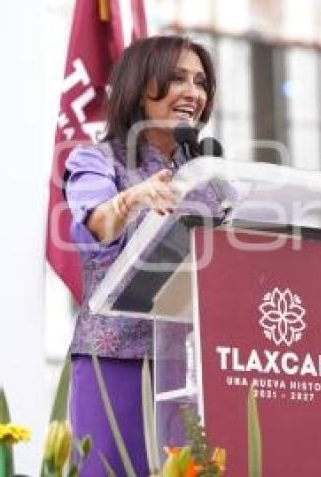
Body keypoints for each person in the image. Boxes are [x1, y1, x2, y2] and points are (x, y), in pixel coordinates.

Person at [63, 35, 219, 473]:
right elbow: (97, 223)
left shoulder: (214, 181)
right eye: (176, 79)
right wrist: (134, 198)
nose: (193, 92)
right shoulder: (97, 160)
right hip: (115, 363)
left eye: (201, 82)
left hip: (193, 372)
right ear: (138, 86)